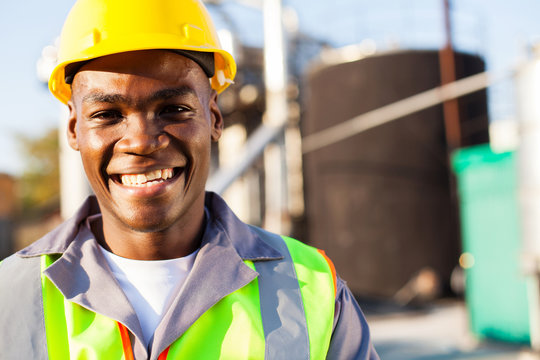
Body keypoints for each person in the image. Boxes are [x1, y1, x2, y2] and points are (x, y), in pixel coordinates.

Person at [0, 0, 379, 359]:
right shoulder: (9, 297)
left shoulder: (314, 290)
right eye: (108, 114)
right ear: (74, 129)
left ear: (214, 118)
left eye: (174, 109)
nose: (142, 141)